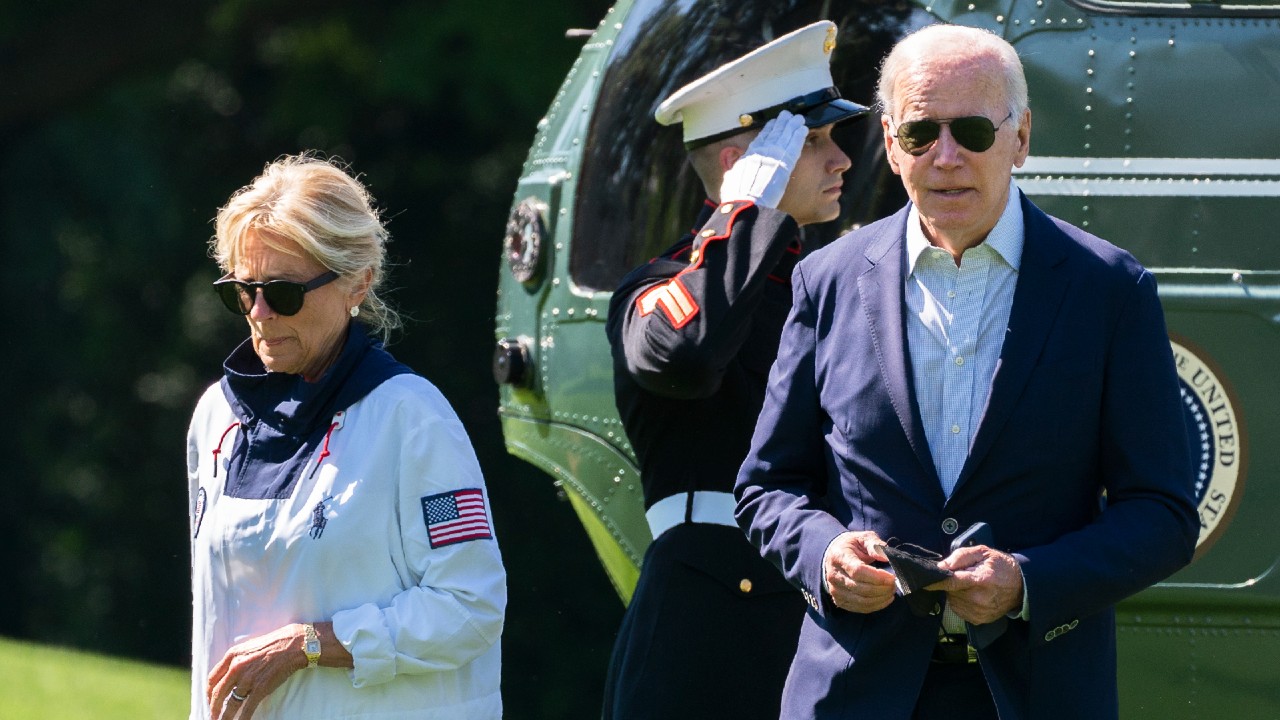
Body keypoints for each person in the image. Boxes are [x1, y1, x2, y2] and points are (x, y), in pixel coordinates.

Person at [734, 24, 1199, 720]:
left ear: (1021, 139)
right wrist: (827, 554)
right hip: (852, 694)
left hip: (1035, 692)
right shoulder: (824, 282)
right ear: (891, 146)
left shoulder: (1109, 289)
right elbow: (766, 488)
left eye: (974, 132)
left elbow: (1163, 514)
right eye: (921, 134)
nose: (946, 157)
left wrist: (1028, 583)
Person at [602, 21, 869, 720]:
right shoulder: (655, 288)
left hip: (824, 619)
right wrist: (745, 212)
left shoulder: (832, 290)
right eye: (813, 143)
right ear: (740, 164)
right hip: (705, 630)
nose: (841, 160)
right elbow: (683, 357)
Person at [187, 154, 505, 720]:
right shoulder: (216, 418)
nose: (259, 313)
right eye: (242, 289)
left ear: (357, 284)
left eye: (283, 293)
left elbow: (472, 605)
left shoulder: (412, 417)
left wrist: (311, 644)